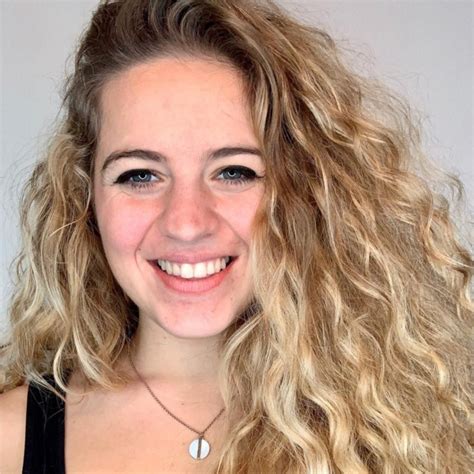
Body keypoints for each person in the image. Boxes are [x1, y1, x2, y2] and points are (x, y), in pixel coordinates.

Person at [0, 0, 472, 472]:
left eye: (234, 171)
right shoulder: (9, 439)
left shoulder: (417, 426)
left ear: (305, 190)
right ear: (86, 197)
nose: (187, 223)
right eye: (140, 176)